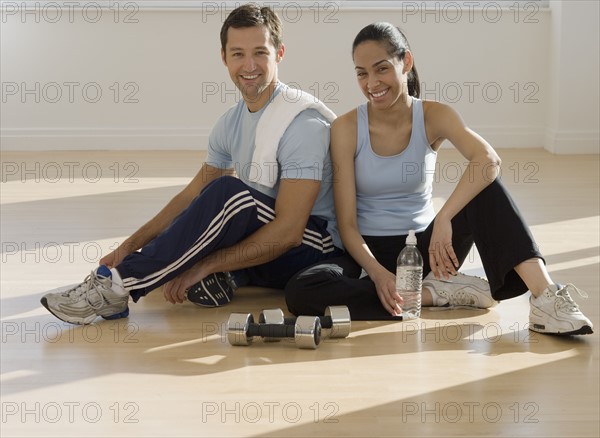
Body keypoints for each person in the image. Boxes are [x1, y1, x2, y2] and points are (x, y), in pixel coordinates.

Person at [41, 4, 343, 325]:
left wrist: (206, 264)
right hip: (269, 248)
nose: (249, 65)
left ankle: (116, 287)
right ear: (224, 57)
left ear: (279, 54)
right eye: (238, 53)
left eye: (260, 53)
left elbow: (290, 232)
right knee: (204, 207)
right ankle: (215, 276)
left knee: (229, 194)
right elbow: (190, 197)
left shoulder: (303, 124)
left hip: (315, 248)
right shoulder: (229, 123)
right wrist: (130, 246)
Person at [284, 22, 593, 336]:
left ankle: (546, 297)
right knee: (301, 291)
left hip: (425, 251)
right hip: (366, 255)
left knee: (487, 188)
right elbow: (348, 225)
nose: (372, 82)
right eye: (362, 73)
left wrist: (444, 216)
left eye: (382, 69)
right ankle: (431, 295)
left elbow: (488, 160)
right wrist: (378, 274)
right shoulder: (346, 127)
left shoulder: (434, 115)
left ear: (406, 62)